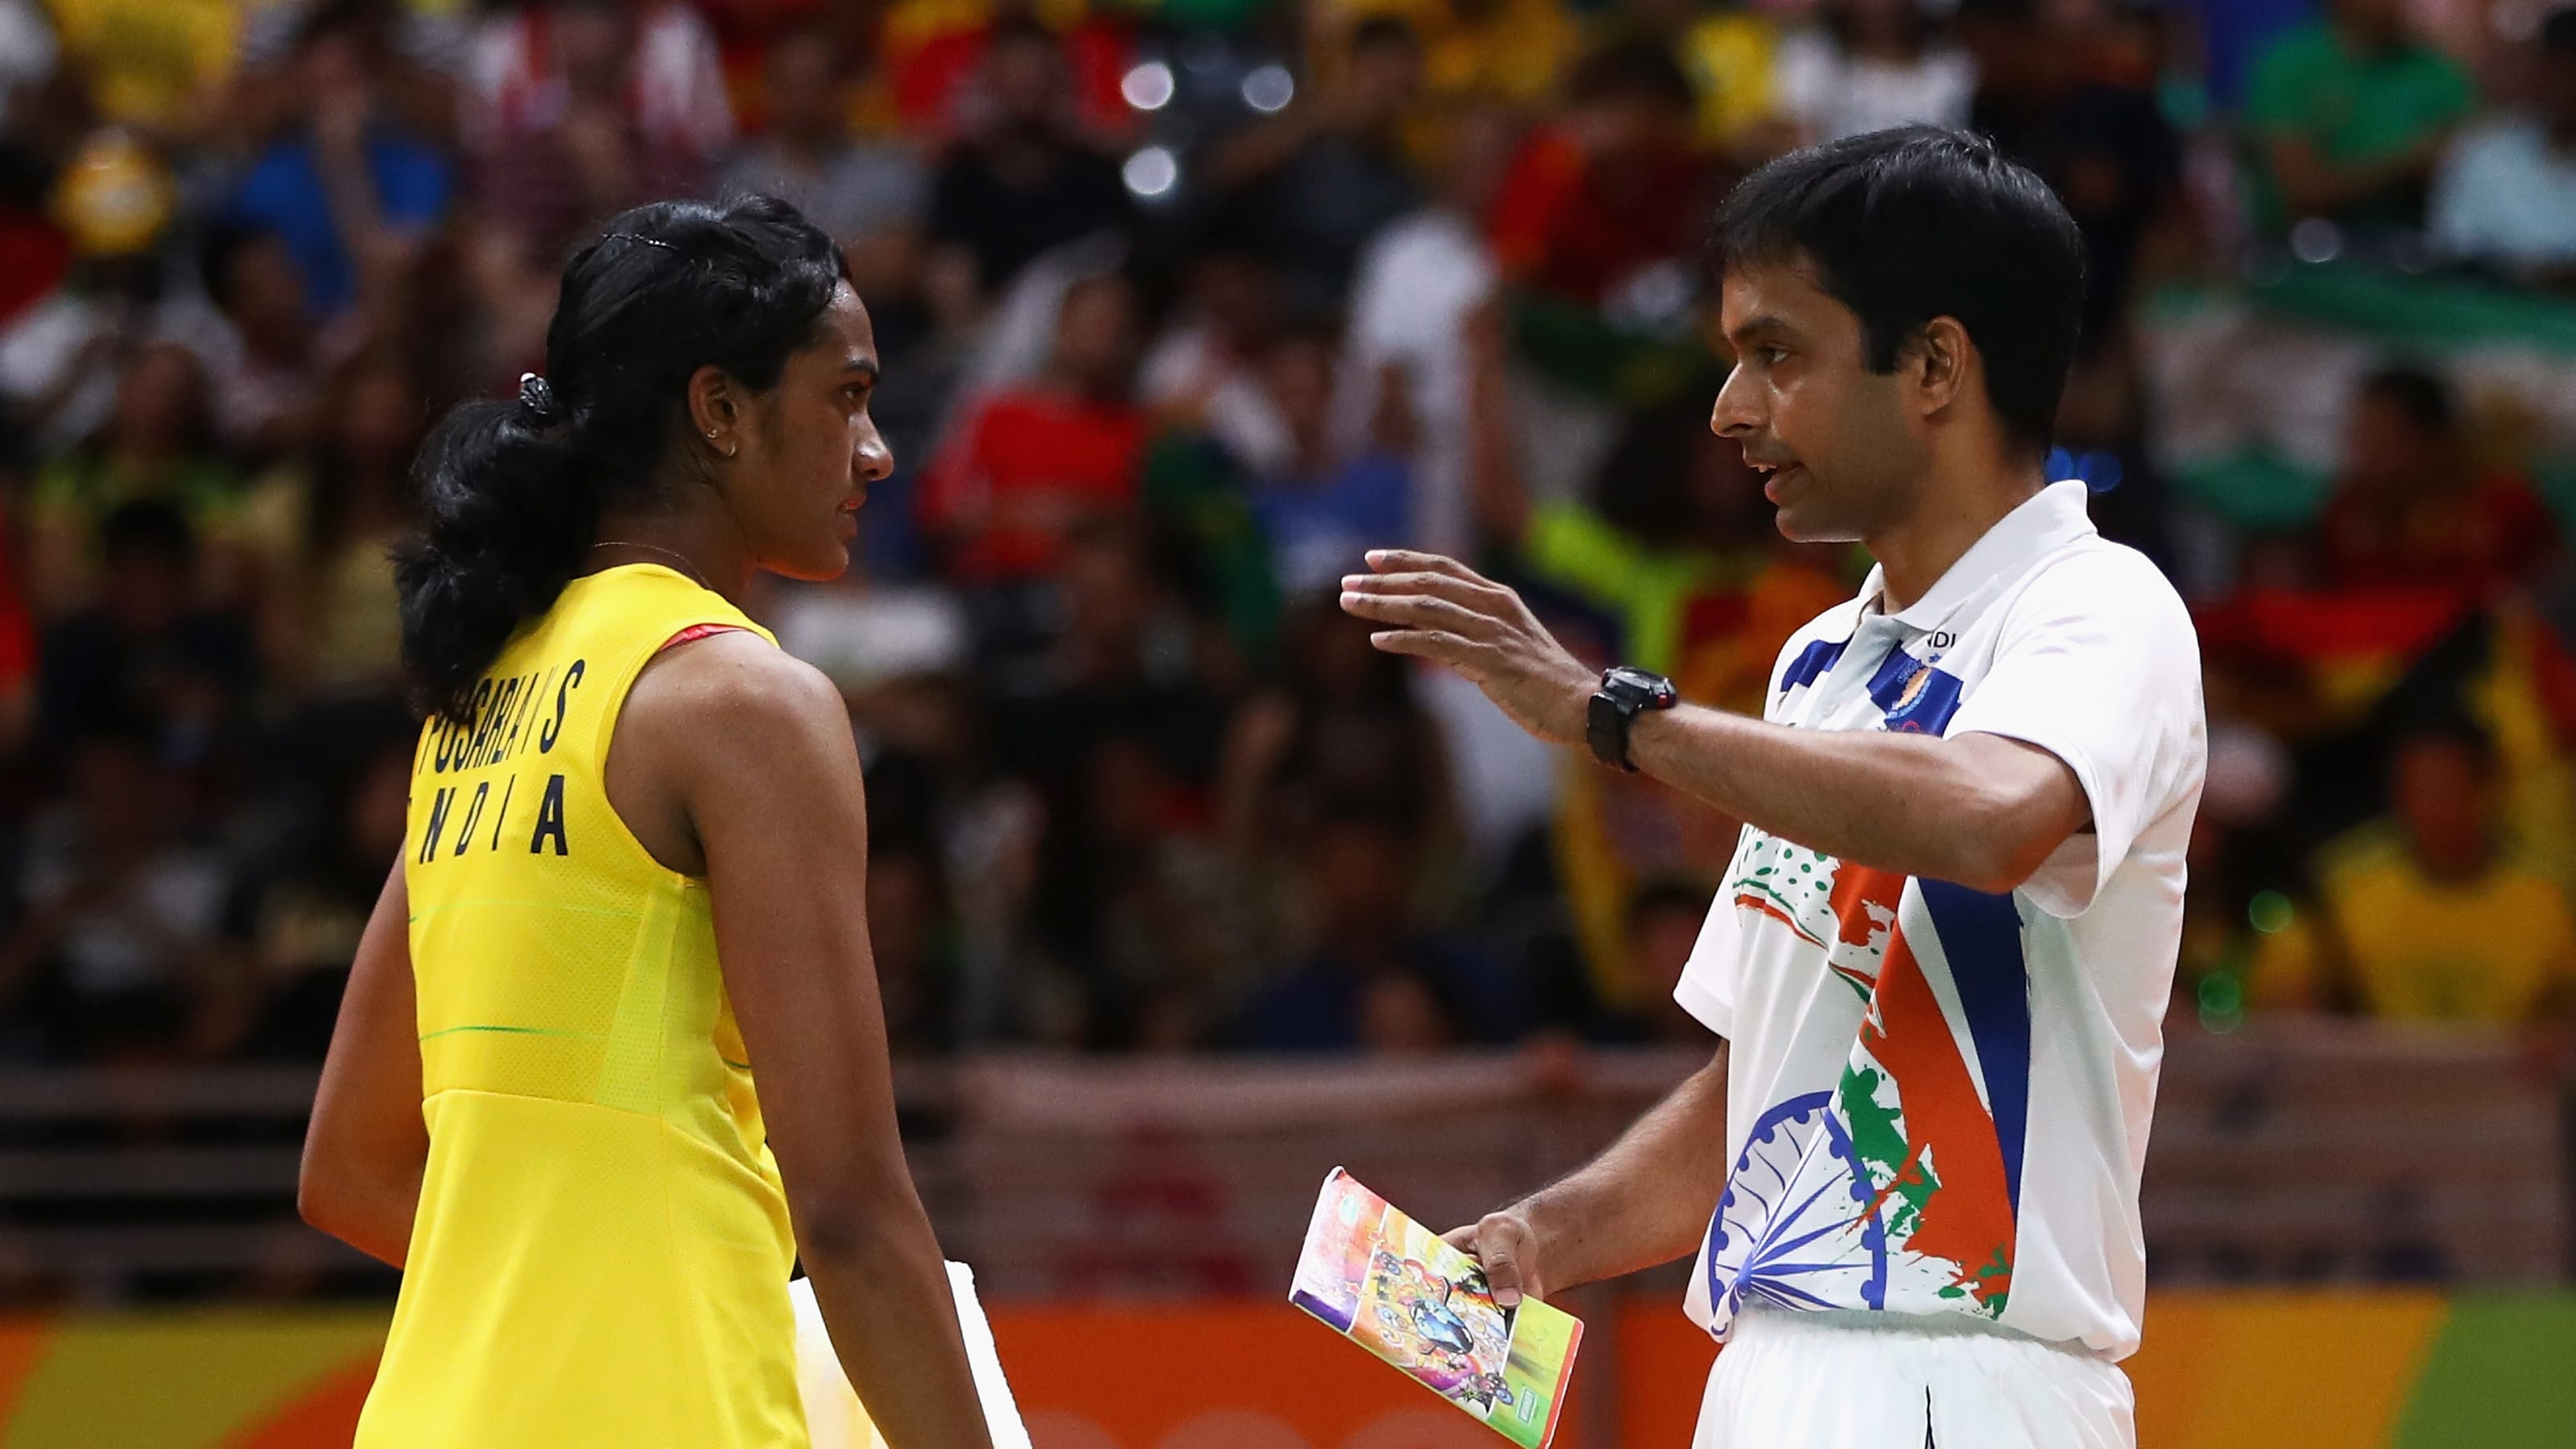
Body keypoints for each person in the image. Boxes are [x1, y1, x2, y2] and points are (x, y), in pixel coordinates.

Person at [1341, 127, 2206, 1447]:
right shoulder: (1819, 664)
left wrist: (1612, 716)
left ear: (1933, 365)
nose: (1728, 409)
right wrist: (1542, 1236)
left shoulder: (2099, 608)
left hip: (1959, 1376)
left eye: (1776, 355)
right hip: (1767, 1366)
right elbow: (1770, 1072)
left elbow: (1991, 815)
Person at [297, 196, 993, 1447]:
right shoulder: (743, 702)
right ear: (720, 411)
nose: (879, 451)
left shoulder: (479, 696)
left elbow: (348, 1172)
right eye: (846, 397)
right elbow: (849, 1209)